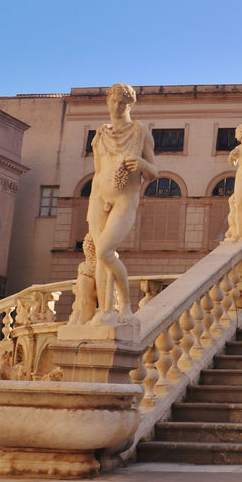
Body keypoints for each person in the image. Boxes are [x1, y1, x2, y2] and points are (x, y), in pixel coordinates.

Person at [86, 83, 158, 324]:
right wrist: (98, 195)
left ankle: (125, 305)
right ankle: (104, 311)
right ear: (107, 102)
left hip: (125, 199)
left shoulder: (140, 131)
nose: (117, 107)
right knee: (99, 256)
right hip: (98, 197)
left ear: (131, 105)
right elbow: (98, 170)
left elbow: (154, 172)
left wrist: (144, 165)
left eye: (123, 103)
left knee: (106, 251)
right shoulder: (100, 133)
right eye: (113, 101)